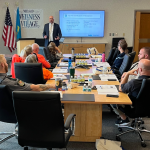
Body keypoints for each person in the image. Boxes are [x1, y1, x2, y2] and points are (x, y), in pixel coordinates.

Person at [112, 59, 150, 125]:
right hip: (148, 109)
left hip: (132, 109)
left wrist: (127, 74)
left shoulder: (134, 82)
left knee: (111, 98)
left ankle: (124, 119)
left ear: (140, 70)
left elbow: (121, 88)